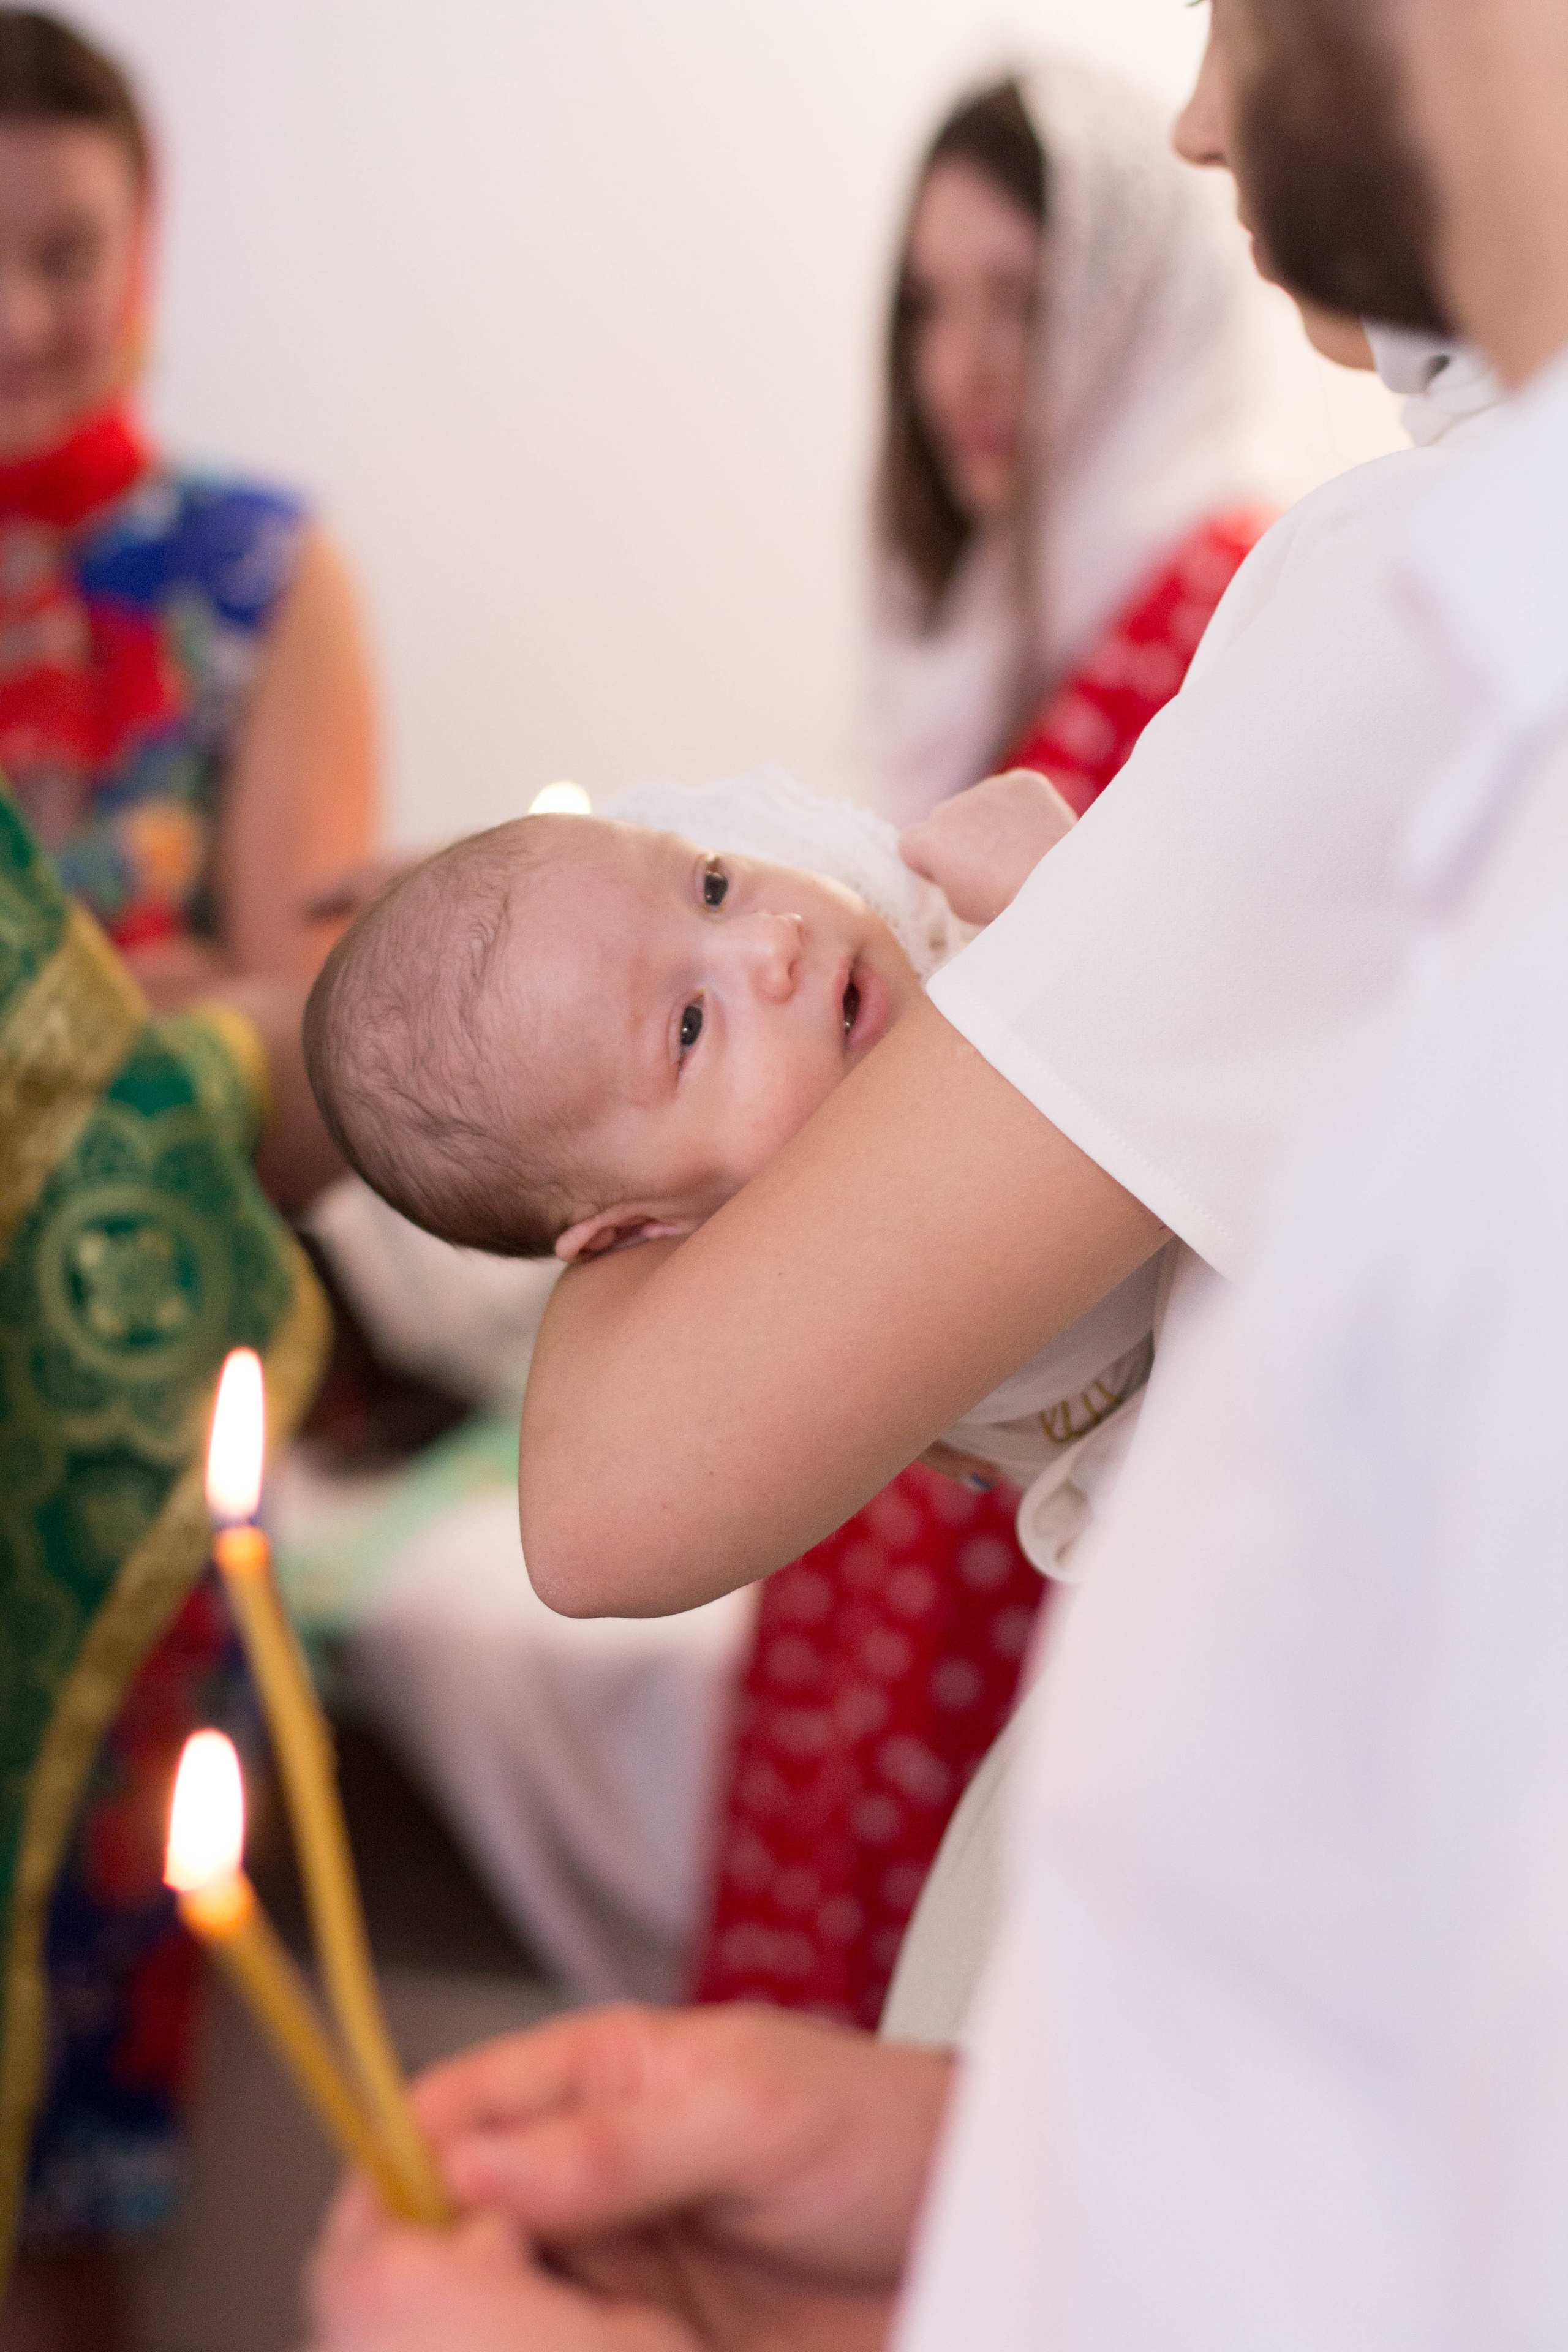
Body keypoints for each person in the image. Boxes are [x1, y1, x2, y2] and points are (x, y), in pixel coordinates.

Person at [299, 0, 1568, 2343]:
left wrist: (672, 1075)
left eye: (1241, 16)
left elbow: (608, 1495)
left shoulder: (1397, 598)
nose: (1196, 113)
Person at [697, 56, 1281, 2033]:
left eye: (1019, 300)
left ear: (1128, 305)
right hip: (904, 1457)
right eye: (926, 306)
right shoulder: (968, 646)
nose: (963, 364)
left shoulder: (1216, 611)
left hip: (1057, 1479)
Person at [0, 11, 375, 2339]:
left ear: (147, 254)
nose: (20, 311)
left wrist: (71, 1053)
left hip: (126, 1474)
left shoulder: (257, 577)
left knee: (84, 2211)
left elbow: (321, 1036)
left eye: (61, 251)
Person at [304, 774, 1155, 1558]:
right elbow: (1155, 1095)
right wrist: (1060, 894)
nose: (771, 943)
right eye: (688, 1028)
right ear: (643, 1227)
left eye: (713, 887)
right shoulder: (864, 1268)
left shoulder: (908, 940)